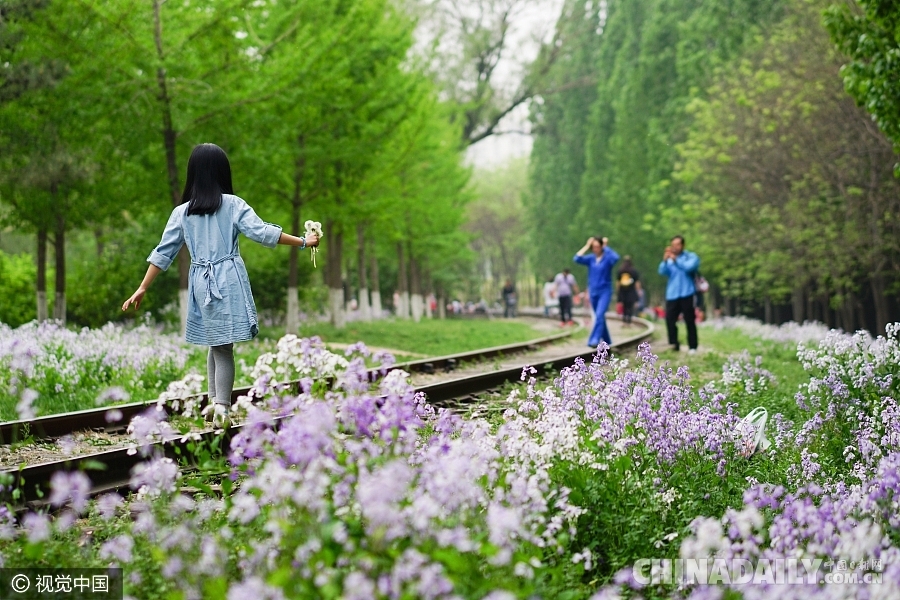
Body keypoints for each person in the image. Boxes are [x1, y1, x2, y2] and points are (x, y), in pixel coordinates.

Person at [122, 143, 319, 426]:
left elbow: (163, 252)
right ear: (221, 173)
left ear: (193, 174)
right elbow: (263, 233)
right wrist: (302, 241)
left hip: (200, 282)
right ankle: (223, 408)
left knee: (215, 345)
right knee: (223, 347)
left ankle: (214, 402)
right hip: (228, 278)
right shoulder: (233, 205)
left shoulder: (182, 213)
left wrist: (143, 286)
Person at [574, 236, 620, 347]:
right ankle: (608, 341)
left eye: (598, 247)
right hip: (593, 292)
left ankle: (594, 340)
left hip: (605, 291)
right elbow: (576, 258)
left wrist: (606, 246)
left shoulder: (608, 259)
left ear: (602, 247)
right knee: (600, 317)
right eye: (593, 247)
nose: (595, 249)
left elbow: (616, 257)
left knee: (599, 315)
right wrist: (586, 245)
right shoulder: (590, 259)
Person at [658, 235, 700, 353]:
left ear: (682, 245)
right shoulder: (669, 259)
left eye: (677, 244)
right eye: (673, 245)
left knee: (689, 320)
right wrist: (665, 261)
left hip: (687, 292)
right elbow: (661, 271)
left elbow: (689, 268)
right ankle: (673, 344)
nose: (675, 247)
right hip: (672, 293)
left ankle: (692, 346)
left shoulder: (691, 257)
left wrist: (676, 260)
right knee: (669, 319)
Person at [616, 256, 641, 325]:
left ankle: (624, 320)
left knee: (624, 306)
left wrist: (618, 291)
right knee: (630, 306)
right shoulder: (633, 271)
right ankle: (629, 321)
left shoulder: (620, 270)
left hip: (623, 291)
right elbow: (637, 282)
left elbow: (618, 282)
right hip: (631, 291)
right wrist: (639, 291)